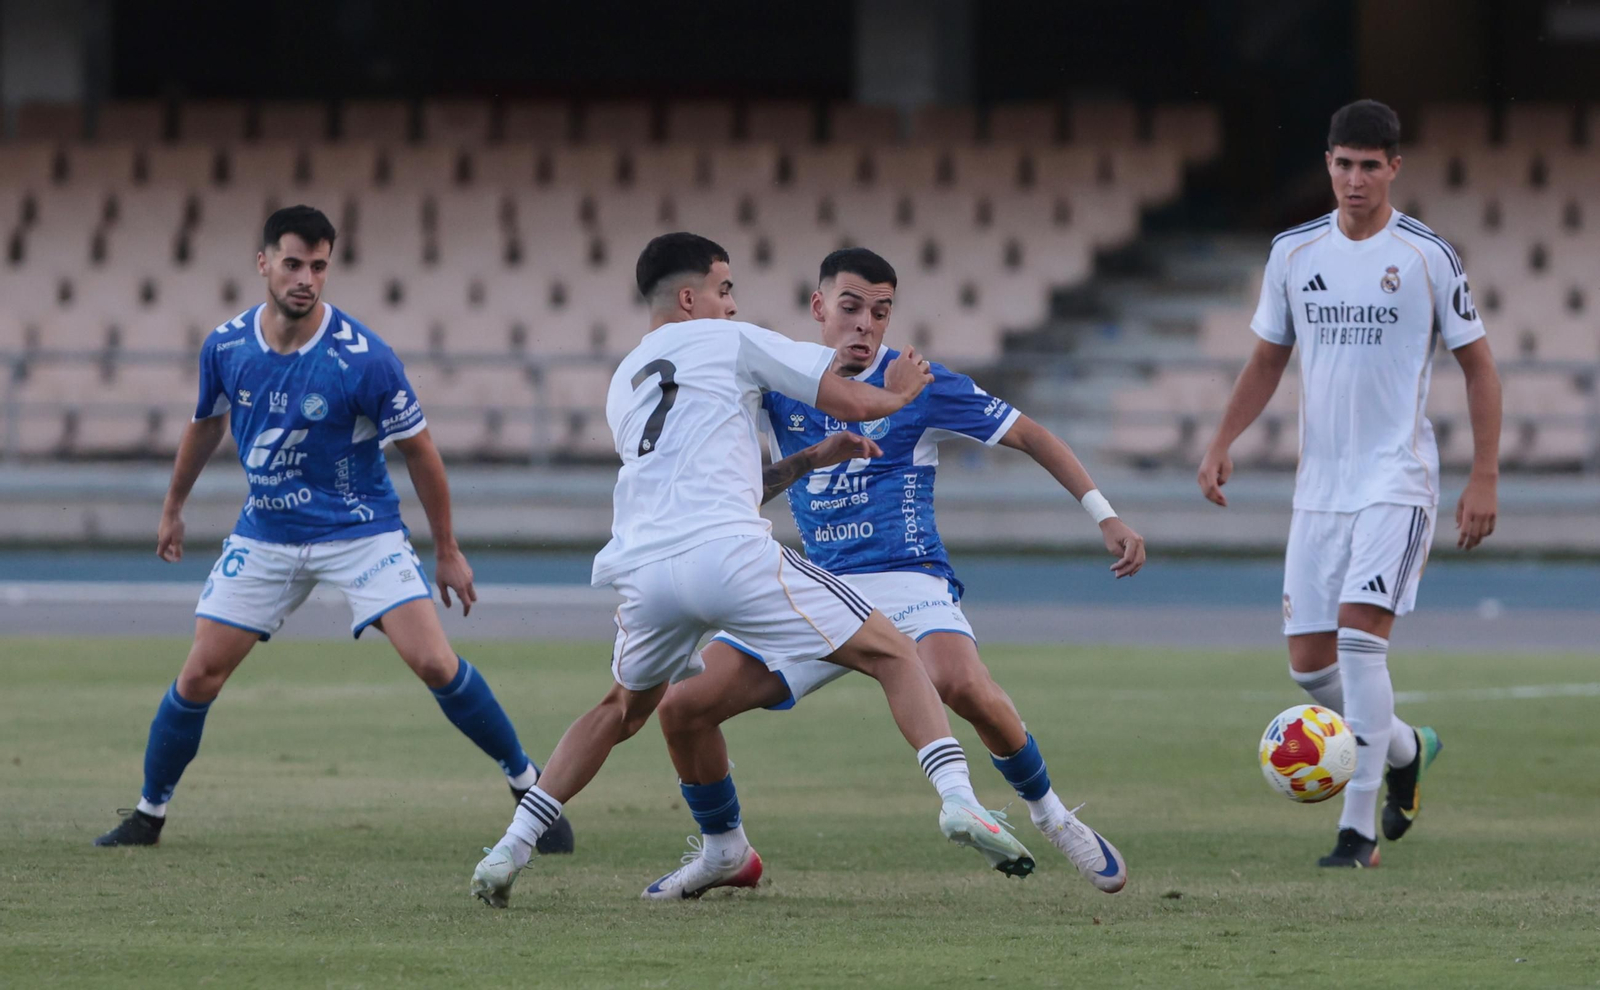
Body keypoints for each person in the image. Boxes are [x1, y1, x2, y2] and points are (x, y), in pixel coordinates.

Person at [469, 233, 1031, 907]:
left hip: (644, 570)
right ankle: (959, 800)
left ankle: (513, 846)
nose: (734, 304)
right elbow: (853, 399)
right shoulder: (731, 342)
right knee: (896, 652)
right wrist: (899, 393)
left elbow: (720, 473)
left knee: (622, 709)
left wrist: (809, 460)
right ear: (690, 297)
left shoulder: (624, 381)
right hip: (729, 554)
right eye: (725, 288)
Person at [641, 248, 1141, 900]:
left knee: (957, 678)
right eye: (850, 308)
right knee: (682, 707)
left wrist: (1104, 514)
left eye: (880, 312)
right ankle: (722, 850)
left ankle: (1051, 814)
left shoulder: (919, 384)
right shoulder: (774, 382)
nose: (865, 325)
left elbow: (1032, 436)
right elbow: (746, 492)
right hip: (813, 585)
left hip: (907, 576)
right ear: (819, 307)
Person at [94, 205, 571, 854]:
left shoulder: (364, 358)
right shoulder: (227, 345)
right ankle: (148, 815)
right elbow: (206, 422)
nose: (306, 279)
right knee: (200, 673)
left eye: (319, 266)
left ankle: (527, 787)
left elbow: (421, 451)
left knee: (433, 661)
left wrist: (448, 550)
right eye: (293, 263)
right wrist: (174, 505)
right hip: (266, 533)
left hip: (360, 531)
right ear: (262, 263)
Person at [1197, 100, 1502, 867]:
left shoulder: (1429, 255)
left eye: (1371, 165)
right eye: (1343, 163)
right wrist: (1222, 439)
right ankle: (1403, 750)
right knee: (1310, 667)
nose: (1355, 178)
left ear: (1394, 168)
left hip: (1397, 481)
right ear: (1327, 163)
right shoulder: (1294, 253)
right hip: (1320, 488)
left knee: (1361, 645)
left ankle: (1357, 831)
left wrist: (1484, 475)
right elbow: (1268, 357)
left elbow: (1479, 365)